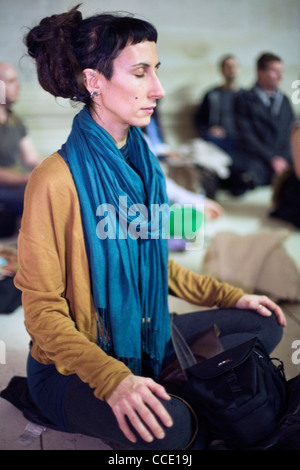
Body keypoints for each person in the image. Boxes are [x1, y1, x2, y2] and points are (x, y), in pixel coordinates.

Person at [14, 6, 286, 450]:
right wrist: (112, 379)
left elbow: (159, 266)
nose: (157, 89)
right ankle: (161, 388)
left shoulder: (145, 166)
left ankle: (162, 376)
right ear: (94, 82)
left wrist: (232, 295)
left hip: (147, 331)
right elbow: (41, 314)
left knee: (263, 323)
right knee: (173, 429)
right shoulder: (55, 179)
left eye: (156, 71)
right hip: (73, 364)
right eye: (141, 72)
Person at [143, 105, 224, 220]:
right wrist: (198, 203)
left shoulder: (140, 138)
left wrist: (200, 203)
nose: (159, 92)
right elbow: (155, 182)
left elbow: (156, 181)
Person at [232, 52, 294, 191]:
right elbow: (246, 136)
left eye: (281, 71)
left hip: (283, 159)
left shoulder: (284, 101)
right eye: (274, 71)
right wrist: (272, 158)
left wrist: (282, 158)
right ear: (260, 72)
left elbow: (291, 134)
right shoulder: (243, 100)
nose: (280, 76)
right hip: (256, 158)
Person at [0, 62, 40, 233]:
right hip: (4, 188)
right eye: (11, 81)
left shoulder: (15, 120)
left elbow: (31, 158)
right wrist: (29, 178)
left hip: (17, 185)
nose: (19, 85)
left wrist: (62, 167)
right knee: (38, 197)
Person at [194, 55, 242, 155]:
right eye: (228, 66)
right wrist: (209, 129)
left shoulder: (247, 97)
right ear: (222, 70)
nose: (232, 69)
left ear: (239, 69)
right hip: (220, 140)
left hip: (242, 140)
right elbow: (199, 119)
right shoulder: (212, 95)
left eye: (234, 66)